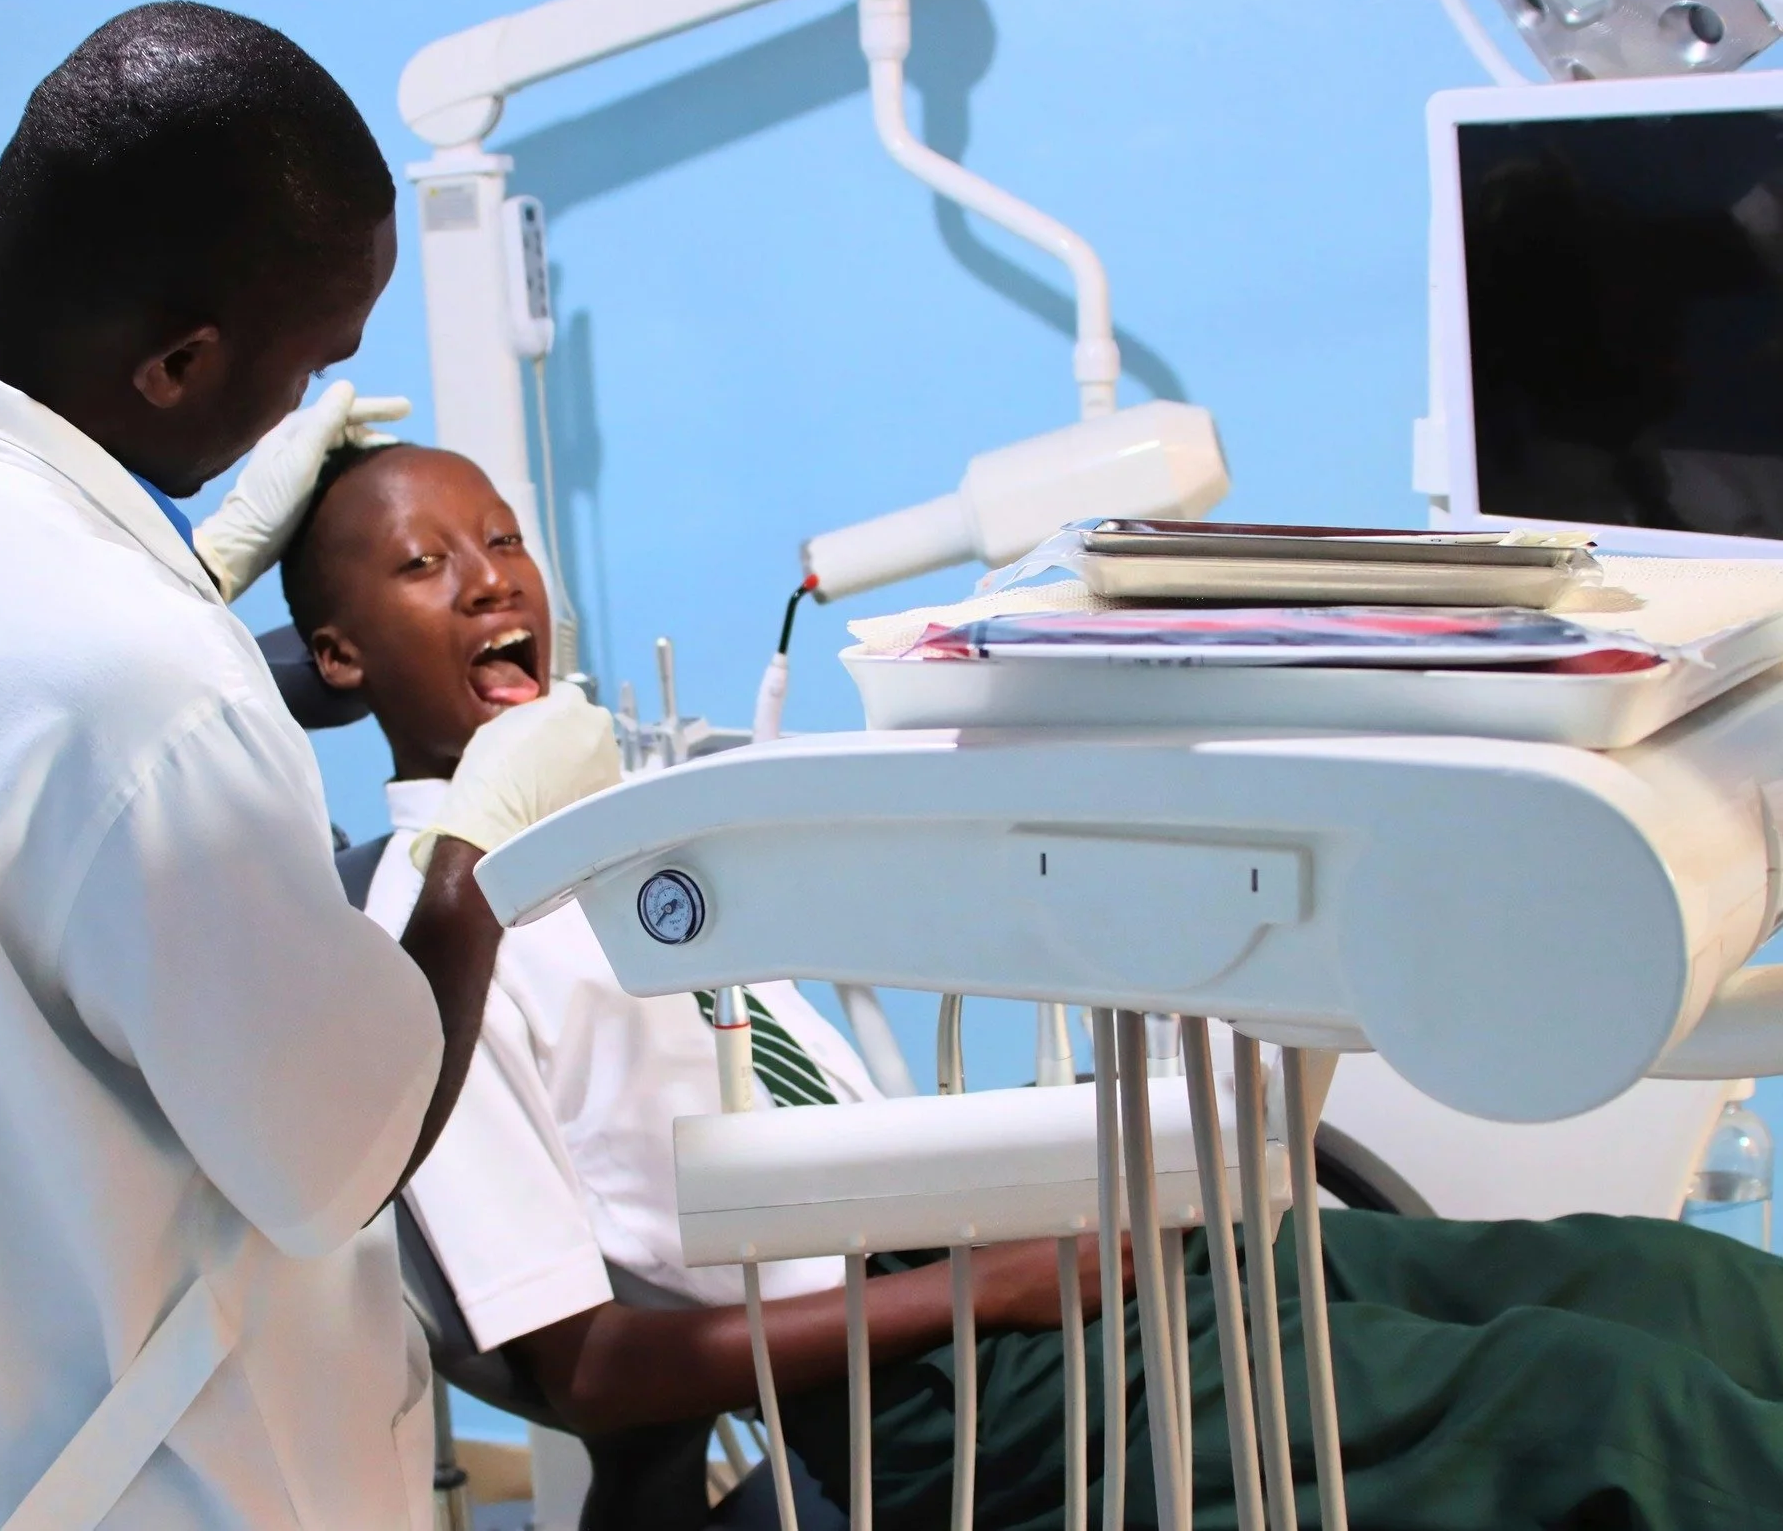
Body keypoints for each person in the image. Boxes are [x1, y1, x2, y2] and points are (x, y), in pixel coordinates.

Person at [284, 437, 1783, 1531]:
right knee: (1595, 1404)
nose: (490, 583)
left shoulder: (615, 829)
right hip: (934, 1390)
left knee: (1647, 1281)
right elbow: (582, 1362)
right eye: (427, 565)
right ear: (340, 655)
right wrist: (986, 1284)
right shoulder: (433, 939)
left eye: (503, 542)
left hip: (1035, 1253)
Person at [0, 2, 612, 1531]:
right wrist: (474, 858)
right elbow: (343, 1151)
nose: (305, 401)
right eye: (306, 365)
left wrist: (200, 594)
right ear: (180, 362)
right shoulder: (145, 685)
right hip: (171, 1488)